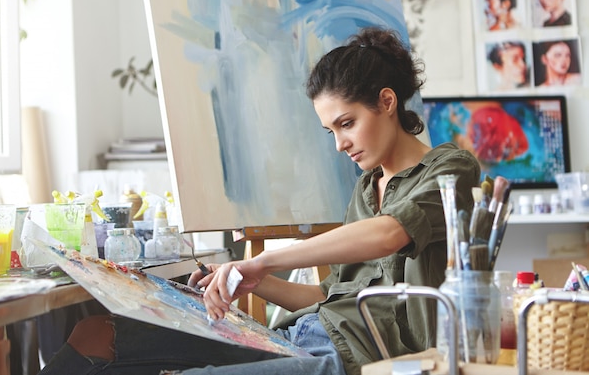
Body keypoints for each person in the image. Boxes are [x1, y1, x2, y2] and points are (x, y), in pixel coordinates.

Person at [37, 27, 481, 375]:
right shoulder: (367, 190)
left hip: (356, 357)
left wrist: (264, 261)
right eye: (332, 131)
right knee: (95, 334)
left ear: (387, 102)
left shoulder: (451, 169)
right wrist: (251, 281)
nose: (340, 144)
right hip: (302, 335)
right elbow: (326, 295)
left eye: (347, 123)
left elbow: (390, 234)